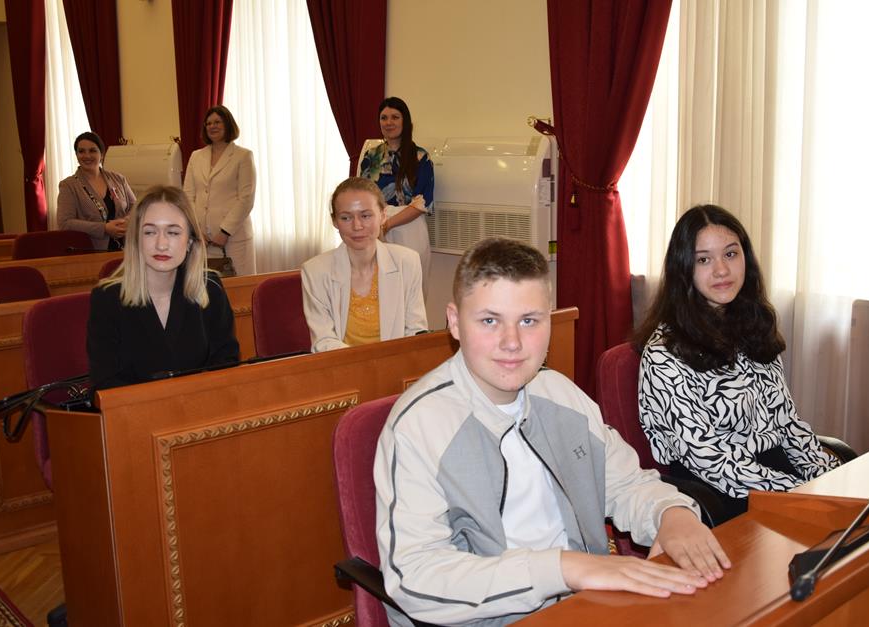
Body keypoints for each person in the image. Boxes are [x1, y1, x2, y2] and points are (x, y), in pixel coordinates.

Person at [374, 237, 730, 626]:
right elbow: (415, 578)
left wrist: (671, 512)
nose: (512, 343)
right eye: (490, 321)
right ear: (455, 322)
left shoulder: (561, 395)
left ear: (549, 321)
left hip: (585, 605)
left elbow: (627, 484)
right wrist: (562, 568)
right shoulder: (418, 427)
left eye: (529, 320)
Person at [635, 204, 840, 524]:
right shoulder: (664, 355)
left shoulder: (752, 328)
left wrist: (830, 478)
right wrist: (799, 493)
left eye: (730, 254)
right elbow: (708, 459)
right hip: (721, 492)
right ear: (683, 269)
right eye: (704, 260)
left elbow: (787, 424)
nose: (721, 270)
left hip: (775, 476)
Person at [87, 185, 239, 391]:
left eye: (173, 232)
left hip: (199, 406)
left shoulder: (210, 288)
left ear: (190, 241)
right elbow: (105, 383)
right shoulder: (107, 299)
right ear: (136, 239)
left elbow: (225, 365)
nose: (161, 244)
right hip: (134, 410)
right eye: (150, 232)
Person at [301, 177, 427, 353]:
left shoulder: (407, 262)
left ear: (383, 215)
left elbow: (415, 331)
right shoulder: (315, 271)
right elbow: (324, 341)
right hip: (342, 365)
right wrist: (368, 365)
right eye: (346, 218)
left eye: (366, 215)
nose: (357, 226)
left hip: (395, 364)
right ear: (335, 221)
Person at [359, 97, 434, 296]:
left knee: (411, 292)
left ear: (405, 121)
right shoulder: (370, 156)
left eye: (395, 117)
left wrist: (388, 225)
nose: (388, 122)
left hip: (409, 227)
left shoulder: (420, 157)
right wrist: (377, 225)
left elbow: (422, 203)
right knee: (380, 291)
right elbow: (363, 195)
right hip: (377, 227)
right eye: (383, 118)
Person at [183, 105, 257, 275]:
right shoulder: (196, 156)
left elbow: (246, 198)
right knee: (206, 286)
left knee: (238, 287)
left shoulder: (243, 156)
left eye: (217, 122)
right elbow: (188, 196)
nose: (212, 126)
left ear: (228, 124)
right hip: (202, 240)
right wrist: (196, 229)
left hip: (234, 239)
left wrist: (225, 232)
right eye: (208, 123)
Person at [56, 131, 135, 251]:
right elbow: (65, 223)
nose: (87, 156)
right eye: (81, 151)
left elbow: (136, 206)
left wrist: (127, 221)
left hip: (127, 249)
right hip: (92, 251)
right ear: (76, 155)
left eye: (92, 150)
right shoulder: (68, 186)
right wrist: (104, 228)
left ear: (102, 154)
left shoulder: (118, 179)